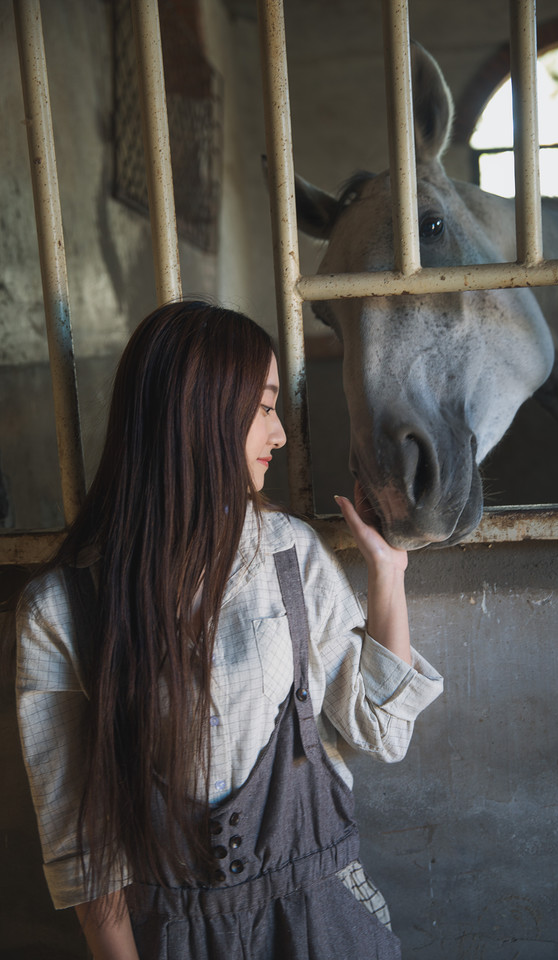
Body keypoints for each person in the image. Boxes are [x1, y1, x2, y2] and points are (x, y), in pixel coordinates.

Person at [16, 300, 443, 960]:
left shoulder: (289, 556)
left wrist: (389, 575)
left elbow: (382, 732)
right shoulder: (61, 608)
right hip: (170, 939)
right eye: (265, 406)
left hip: (324, 929)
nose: (279, 435)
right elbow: (86, 857)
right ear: (201, 413)